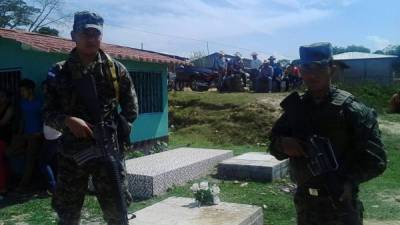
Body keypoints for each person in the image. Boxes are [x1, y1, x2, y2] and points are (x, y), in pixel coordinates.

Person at [269, 42, 387, 225]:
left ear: (332, 70)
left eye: (319, 67)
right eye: (307, 68)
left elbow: (376, 160)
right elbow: (274, 144)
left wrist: (349, 182)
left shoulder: (352, 110)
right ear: (300, 71)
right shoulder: (295, 109)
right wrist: (283, 144)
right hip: (305, 205)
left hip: (341, 204)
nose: (312, 74)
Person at [43, 11, 138, 225]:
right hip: (72, 156)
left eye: (96, 34)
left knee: (117, 212)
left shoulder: (116, 70)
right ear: (73, 35)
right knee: (67, 214)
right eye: (85, 33)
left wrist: (118, 131)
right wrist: (68, 120)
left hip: (107, 155)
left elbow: (131, 109)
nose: (91, 39)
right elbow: (47, 113)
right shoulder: (59, 72)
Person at [6, 79, 44, 192]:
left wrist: (41, 132)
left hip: (36, 135)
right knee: (9, 152)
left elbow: (45, 118)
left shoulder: (39, 102)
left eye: (23, 90)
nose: (21, 93)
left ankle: (23, 184)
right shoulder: (22, 103)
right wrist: (19, 132)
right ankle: (20, 178)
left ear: (30, 90)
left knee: (30, 159)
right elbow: (22, 119)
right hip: (24, 134)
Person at [0, 89, 13, 196]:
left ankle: (3, 187)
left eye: (2, 96)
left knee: (2, 162)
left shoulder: (10, 108)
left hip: (4, 137)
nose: (0, 98)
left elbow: (3, 122)